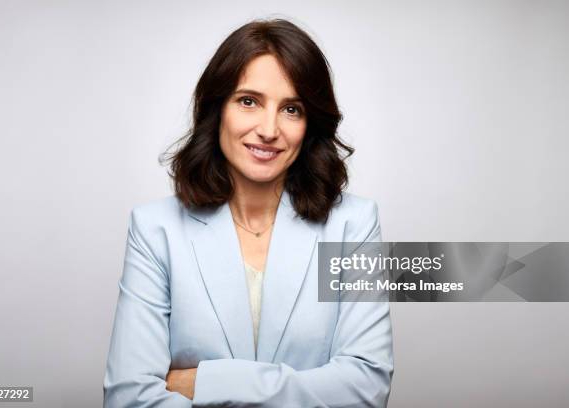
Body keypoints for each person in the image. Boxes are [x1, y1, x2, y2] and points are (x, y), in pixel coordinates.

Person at [103, 18, 393, 407]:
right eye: (249, 101)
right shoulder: (155, 230)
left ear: (310, 125)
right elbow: (128, 398)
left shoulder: (353, 226)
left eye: (291, 109)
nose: (269, 129)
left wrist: (211, 383)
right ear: (216, 109)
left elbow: (365, 387)